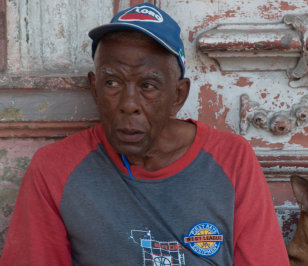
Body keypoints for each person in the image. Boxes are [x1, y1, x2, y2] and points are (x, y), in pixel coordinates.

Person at [0, 3, 289, 265]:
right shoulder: (55, 168)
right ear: (94, 89)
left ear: (178, 95)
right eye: (112, 82)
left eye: (148, 86)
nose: (128, 105)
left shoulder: (231, 159)